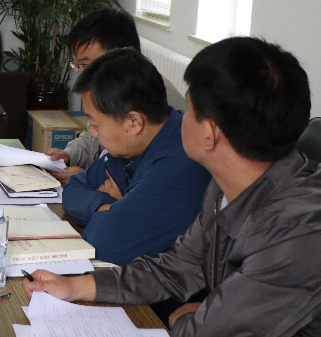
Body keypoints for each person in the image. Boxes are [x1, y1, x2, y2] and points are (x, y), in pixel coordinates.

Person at [27, 36, 321, 337]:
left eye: (188, 110)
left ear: (210, 133)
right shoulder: (232, 183)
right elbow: (179, 265)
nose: (177, 118)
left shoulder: (297, 235)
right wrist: (80, 286)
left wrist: (192, 317)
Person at [61, 49, 210, 265]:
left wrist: (118, 213)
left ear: (134, 122)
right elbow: (73, 189)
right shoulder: (133, 144)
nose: (92, 133)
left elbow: (101, 244)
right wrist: (107, 207)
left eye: (95, 124)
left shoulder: (179, 165)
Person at [47, 8, 142, 183]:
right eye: (77, 66)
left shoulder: (147, 98)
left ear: (119, 55)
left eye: (86, 65)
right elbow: (93, 137)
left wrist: (88, 180)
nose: (81, 75)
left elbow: (134, 181)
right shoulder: (107, 89)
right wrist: (69, 155)